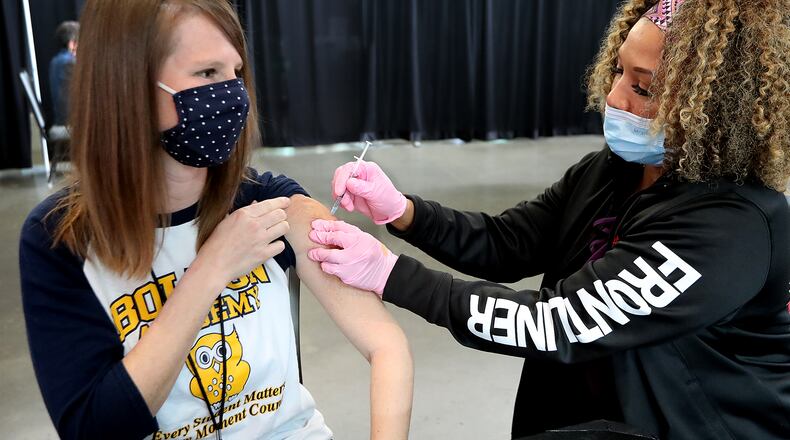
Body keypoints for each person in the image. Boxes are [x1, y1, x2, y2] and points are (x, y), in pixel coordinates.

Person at [307, 0, 790, 439]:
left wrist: (390, 274)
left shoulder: (731, 227)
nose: (614, 97)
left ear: (717, 105)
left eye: (642, 87)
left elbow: (557, 322)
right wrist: (403, 212)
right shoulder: (614, 170)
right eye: (618, 71)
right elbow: (509, 241)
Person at [19, 1, 412, 439]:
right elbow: (96, 429)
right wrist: (211, 269)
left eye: (235, 73)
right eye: (207, 73)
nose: (231, 94)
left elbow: (386, 345)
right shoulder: (60, 238)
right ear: (127, 84)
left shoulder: (268, 203)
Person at [49, 21, 78, 128]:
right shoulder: (71, 63)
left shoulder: (54, 61)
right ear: (72, 44)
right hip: (70, 125)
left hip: (59, 121)